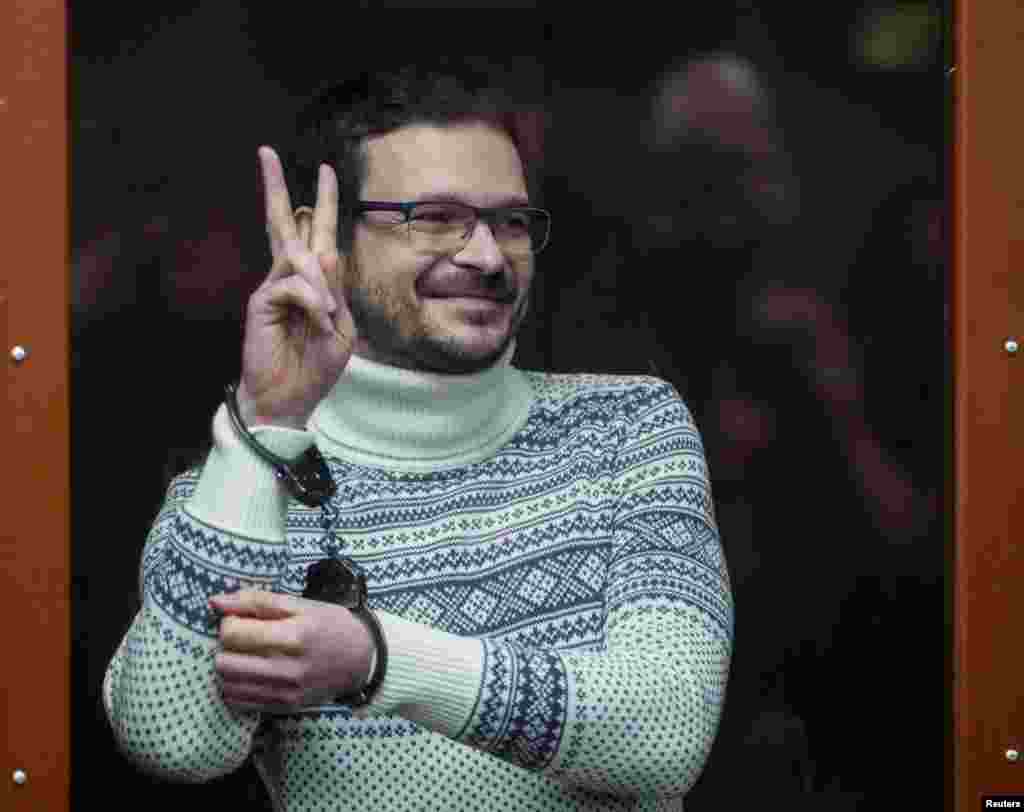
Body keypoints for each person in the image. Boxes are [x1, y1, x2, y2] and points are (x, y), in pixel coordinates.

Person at [102, 61, 733, 811]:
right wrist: (266, 424)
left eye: (510, 221)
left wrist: (373, 660)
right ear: (325, 239)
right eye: (436, 217)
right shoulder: (241, 490)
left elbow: (662, 736)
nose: (489, 257)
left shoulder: (626, 429)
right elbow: (172, 741)